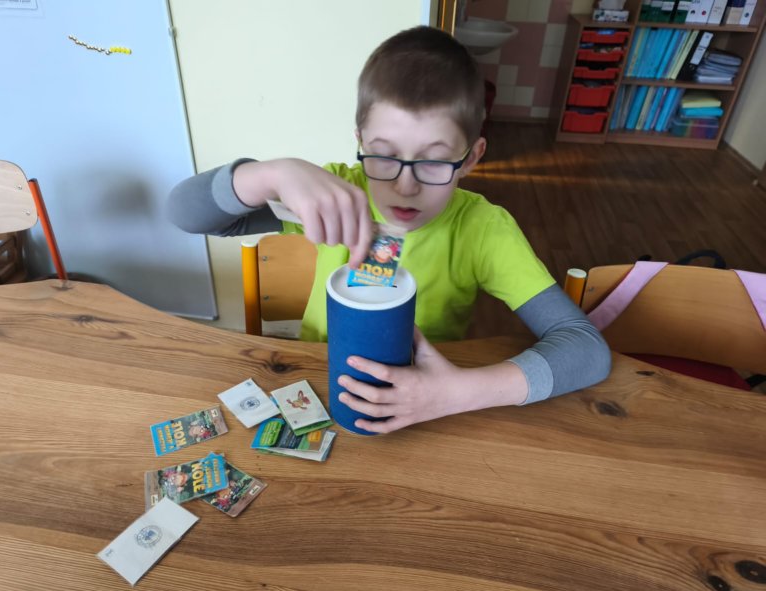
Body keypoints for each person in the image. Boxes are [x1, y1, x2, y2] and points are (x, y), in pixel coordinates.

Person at [168, 26, 611, 434]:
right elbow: (185, 214)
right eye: (383, 155)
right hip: (318, 394)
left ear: (471, 158)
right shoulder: (338, 193)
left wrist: (458, 393)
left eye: (434, 161)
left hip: (425, 409)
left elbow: (586, 349)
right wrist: (270, 173)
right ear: (360, 142)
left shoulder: (482, 229)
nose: (405, 185)